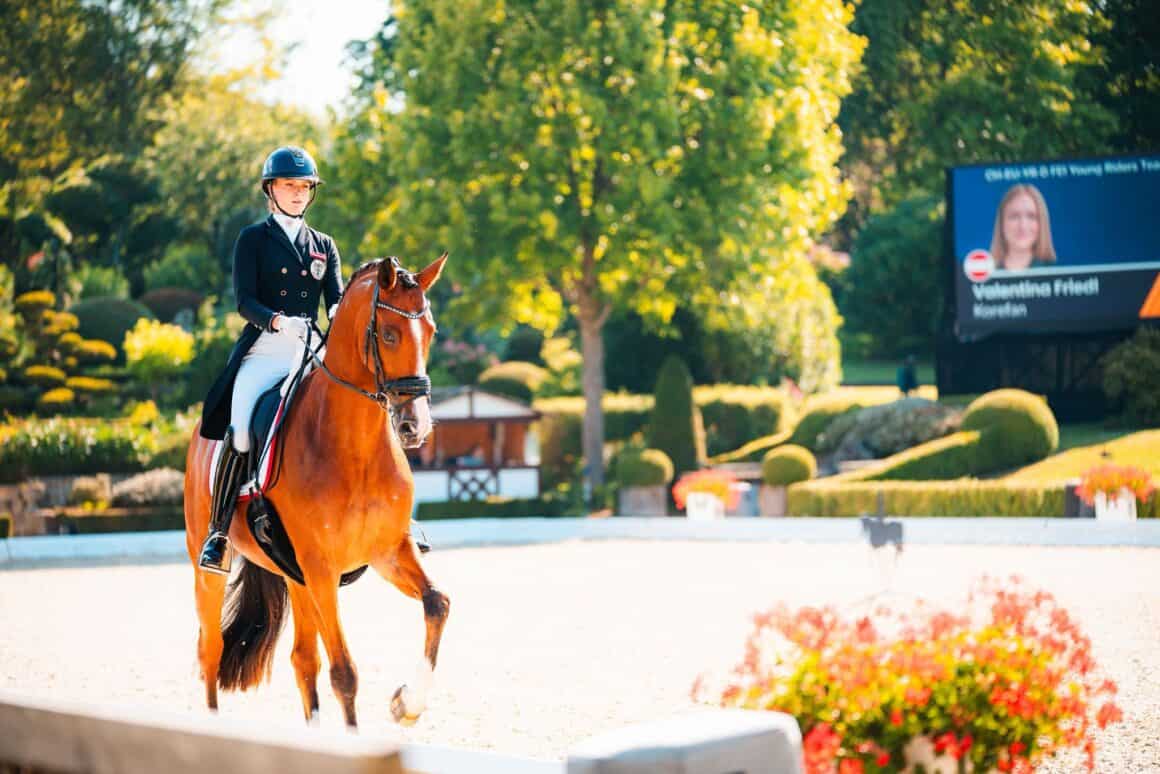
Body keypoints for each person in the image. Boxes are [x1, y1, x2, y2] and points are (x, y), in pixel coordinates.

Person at [196, 146, 344, 574]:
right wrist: (278, 321)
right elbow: (244, 301)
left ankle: (394, 516)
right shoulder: (253, 239)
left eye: (304, 187)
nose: (297, 193)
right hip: (265, 350)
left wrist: (344, 315)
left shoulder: (324, 245)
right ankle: (219, 533)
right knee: (242, 430)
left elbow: (335, 300)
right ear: (270, 190)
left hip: (310, 350)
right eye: (288, 185)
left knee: (361, 406)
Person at [990, 184, 1057, 270]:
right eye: (1014, 216)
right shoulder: (986, 272)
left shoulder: (1057, 272)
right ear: (1001, 223)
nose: (1023, 226)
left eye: (1031, 216)